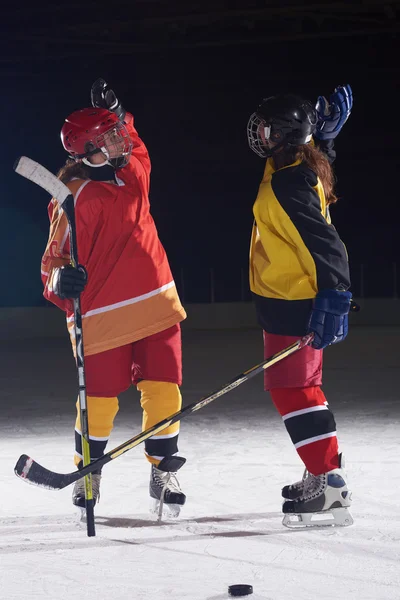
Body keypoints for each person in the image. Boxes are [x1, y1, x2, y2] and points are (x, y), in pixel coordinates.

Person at [41, 78, 187, 518]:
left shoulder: (133, 177)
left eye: (117, 138)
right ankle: (90, 472)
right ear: (85, 152)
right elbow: (52, 262)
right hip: (102, 315)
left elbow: (138, 148)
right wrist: (61, 280)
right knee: (99, 402)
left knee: (165, 392)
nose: (120, 145)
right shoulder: (73, 198)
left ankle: (163, 468)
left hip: (157, 305)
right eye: (108, 141)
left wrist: (121, 112)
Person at [246, 85, 354, 527]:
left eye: (268, 129)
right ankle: (319, 470)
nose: (260, 135)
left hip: (296, 300)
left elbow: (327, 243)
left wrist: (335, 296)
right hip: (283, 297)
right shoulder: (290, 166)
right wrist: (322, 141)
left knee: (296, 390)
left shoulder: (290, 179)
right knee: (293, 387)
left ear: (288, 136)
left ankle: (328, 481)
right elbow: (314, 181)